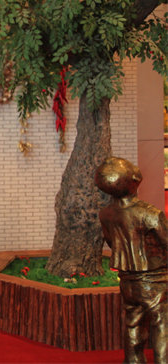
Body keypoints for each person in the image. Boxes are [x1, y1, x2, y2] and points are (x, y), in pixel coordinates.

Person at [95, 156, 167, 364]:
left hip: (128, 281)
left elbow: (111, 242)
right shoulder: (150, 214)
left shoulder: (106, 214)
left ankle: (133, 360)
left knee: (133, 323)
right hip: (154, 280)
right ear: (134, 180)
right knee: (162, 324)